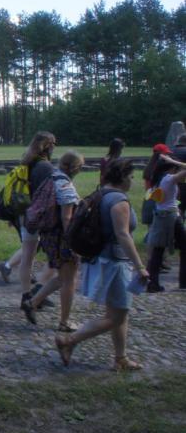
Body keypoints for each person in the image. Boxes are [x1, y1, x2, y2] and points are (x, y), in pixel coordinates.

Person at [56, 159, 148, 371]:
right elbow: (124, 235)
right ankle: (68, 341)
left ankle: (120, 358)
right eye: (132, 177)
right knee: (116, 316)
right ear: (123, 177)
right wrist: (140, 266)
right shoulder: (119, 201)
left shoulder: (100, 193)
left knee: (119, 312)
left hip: (102, 260)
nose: (133, 181)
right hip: (114, 262)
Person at [29, 151, 85, 331]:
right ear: (76, 168)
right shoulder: (65, 185)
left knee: (62, 276)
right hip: (62, 237)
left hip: (49, 235)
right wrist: (73, 240)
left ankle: (33, 302)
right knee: (70, 279)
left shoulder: (52, 178)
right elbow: (67, 217)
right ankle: (64, 322)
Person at [18, 131, 57, 324]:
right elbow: (50, 194)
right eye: (53, 143)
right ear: (47, 145)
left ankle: (28, 295)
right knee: (56, 258)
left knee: (27, 258)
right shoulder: (46, 167)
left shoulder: (26, 162)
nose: (55, 147)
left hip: (25, 214)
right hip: (42, 217)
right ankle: (37, 292)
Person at [144, 154, 186, 292]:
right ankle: (183, 282)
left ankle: (152, 283)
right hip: (171, 216)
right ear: (172, 168)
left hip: (162, 215)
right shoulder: (168, 179)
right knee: (181, 247)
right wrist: (173, 161)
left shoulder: (158, 178)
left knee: (158, 250)